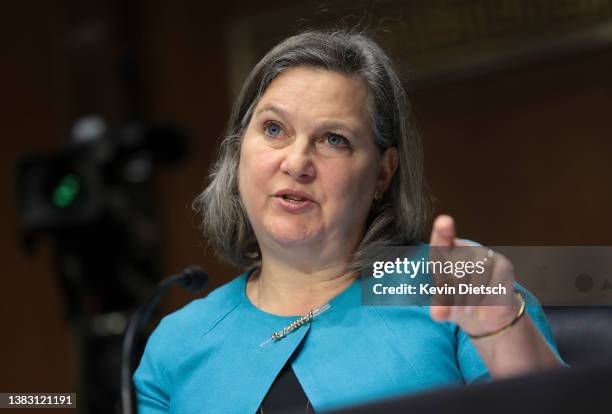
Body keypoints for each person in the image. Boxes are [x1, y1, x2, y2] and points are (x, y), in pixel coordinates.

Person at [133, 29, 565, 413]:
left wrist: (502, 331)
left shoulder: (454, 286)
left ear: (382, 172)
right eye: (273, 129)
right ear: (237, 151)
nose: (297, 162)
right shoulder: (176, 344)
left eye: (333, 139)